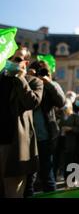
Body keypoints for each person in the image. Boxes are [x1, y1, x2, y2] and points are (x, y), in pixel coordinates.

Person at [0, 47, 43, 197]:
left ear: (26, 62)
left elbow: (32, 103)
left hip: (15, 146)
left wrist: (20, 77)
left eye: (18, 59)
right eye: (10, 57)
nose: (12, 61)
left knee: (13, 193)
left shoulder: (34, 82)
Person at [24, 60, 66, 196]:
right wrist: (26, 78)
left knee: (47, 174)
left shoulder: (51, 85)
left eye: (43, 71)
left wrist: (49, 83)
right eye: (36, 70)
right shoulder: (26, 82)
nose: (39, 73)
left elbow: (61, 102)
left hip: (45, 137)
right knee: (29, 177)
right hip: (27, 137)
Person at [58, 99, 79, 180]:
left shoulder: (75, 116)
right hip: (61, 141)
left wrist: (71, 128)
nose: (65, 108)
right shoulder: (61, 116)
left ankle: (72, 180)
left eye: (66, 106)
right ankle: (64, 177)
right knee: (63, 160)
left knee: (71, 161)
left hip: (72, 143)